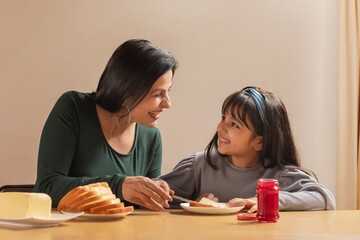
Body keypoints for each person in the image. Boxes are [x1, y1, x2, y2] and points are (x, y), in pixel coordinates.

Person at [34, 39, 176, 211]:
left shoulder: (152, 138)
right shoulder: (74, 108)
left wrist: (160, 194)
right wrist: (117, 186)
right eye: (158, 94)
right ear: (128, 90)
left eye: (168, 92)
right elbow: (46, 187)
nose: (168, 103)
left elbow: (148, 209)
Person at [159, 87, 335, 212]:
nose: (221, 127)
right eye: (223, 118)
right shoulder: (199, 166)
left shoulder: (278, 176)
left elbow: (324, 198)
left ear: (260, 142)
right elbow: (154, 197)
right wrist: (193, 205)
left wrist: (264, 200)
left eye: (234, 124)